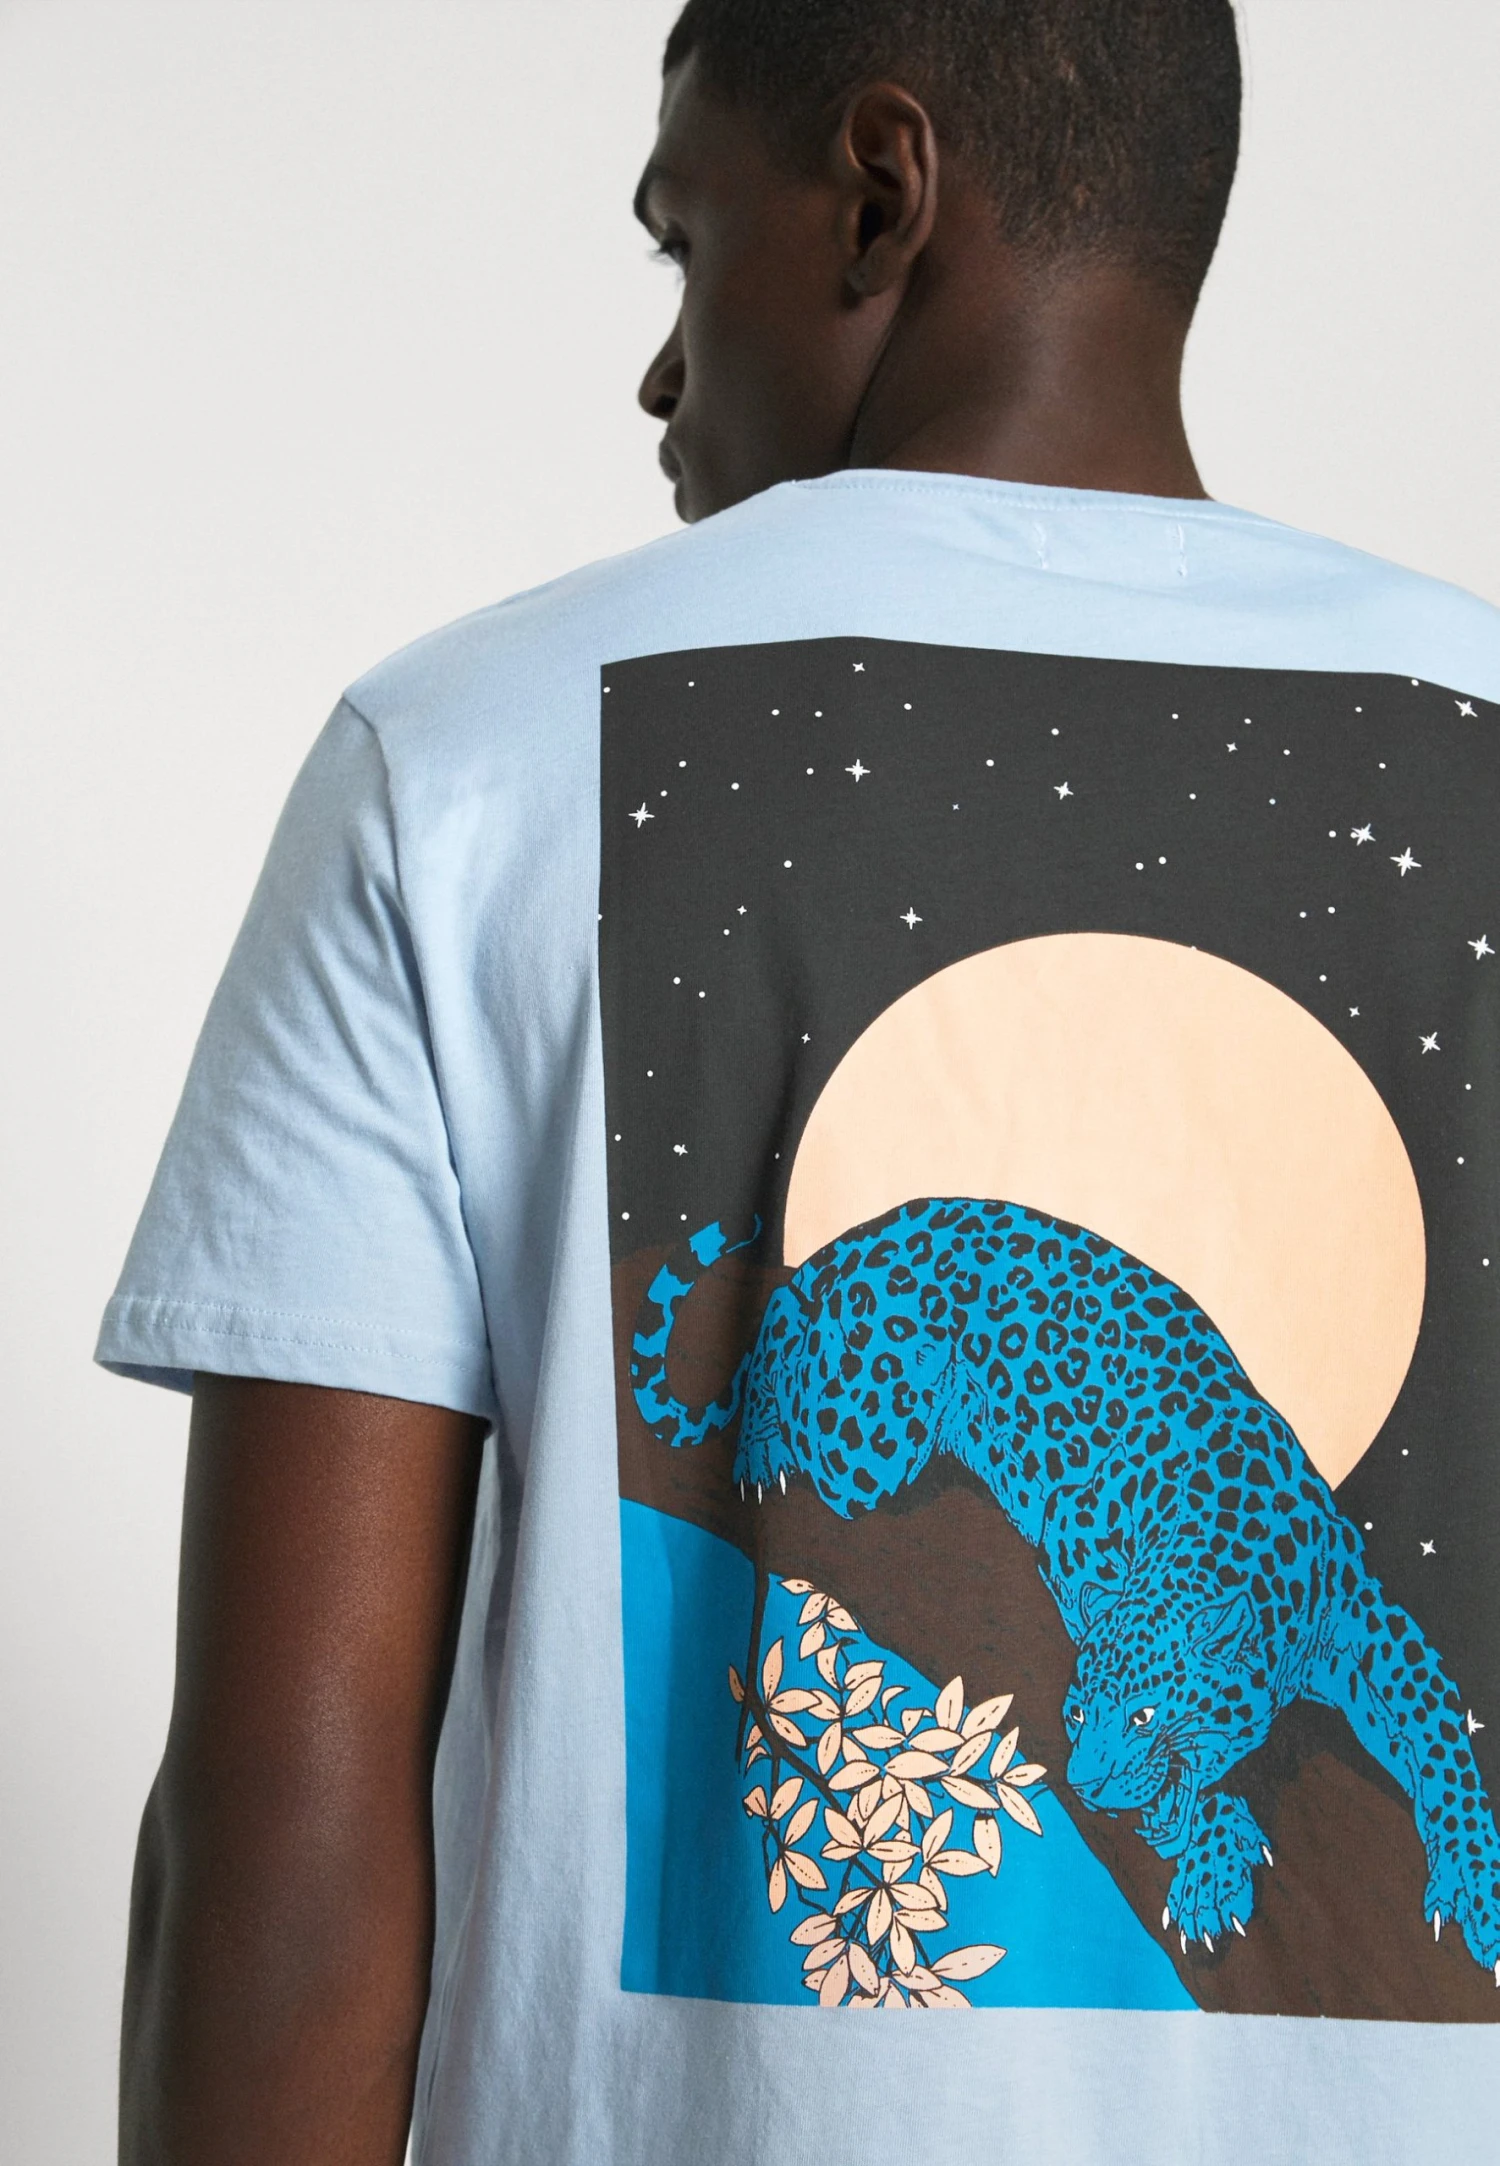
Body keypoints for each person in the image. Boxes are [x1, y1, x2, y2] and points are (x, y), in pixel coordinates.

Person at [100, 3, 1500, 2161]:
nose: (661, 373)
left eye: (684, 245)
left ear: (879, 194)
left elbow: (288, 1838)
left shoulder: (461, 760)